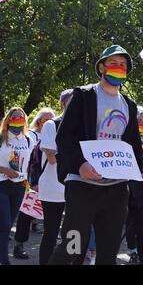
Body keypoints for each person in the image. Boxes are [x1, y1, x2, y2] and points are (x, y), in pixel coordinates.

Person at [48, 45, 143, 265]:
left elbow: (134, 145)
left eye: (123, 65)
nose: (118, 68)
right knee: (72, 249)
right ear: (102, 67)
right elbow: (64, 137)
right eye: (113, 63)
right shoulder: (84, 96)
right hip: (82, 188)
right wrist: (80, 165)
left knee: (107, 254)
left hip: (116, 192)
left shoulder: (129, 105)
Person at [13, 107, 55, 260]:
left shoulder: (53, 134)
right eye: (47, 120)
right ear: (39, 121)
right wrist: (32, 182)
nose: (50, 122)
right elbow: (30, 162)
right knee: (26, 214)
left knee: (47, 215)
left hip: (50, 183)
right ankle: (19, 245)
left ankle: (51, 247)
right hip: (32, 182)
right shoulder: (31, 136)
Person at [37, 90, 73, 265]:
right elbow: (51, 158)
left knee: (74, 233)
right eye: (72, 101)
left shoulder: (80, 125)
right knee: (51, 233)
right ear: (63, 104)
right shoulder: (52, 125)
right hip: (53, 187)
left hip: (74, 187)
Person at [0, 107, 34, 265]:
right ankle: (4, 260)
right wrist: (4, 169)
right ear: (8, 119)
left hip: (19, 186)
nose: (18, 120)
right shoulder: (1, 137)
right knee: (5, 225)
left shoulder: (28, 139)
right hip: (1, 184)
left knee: (7, 225)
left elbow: (30, 163)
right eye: (14, 117)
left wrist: (29, 181)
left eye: (21, 117)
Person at [125, 105, 143, 265]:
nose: (142, 123)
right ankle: (132, 250)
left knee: (142, 223)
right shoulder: (126, 137)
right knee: (129, 221)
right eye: (139, 120)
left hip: (142, 185)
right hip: (127, 184)